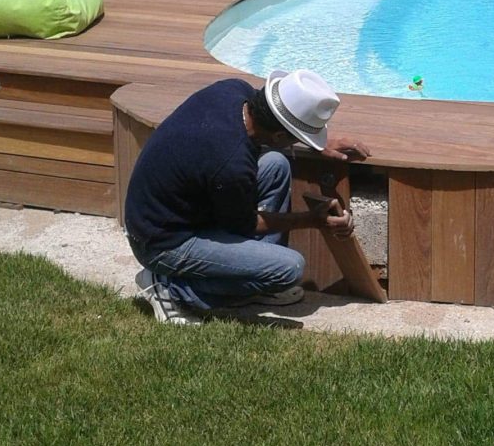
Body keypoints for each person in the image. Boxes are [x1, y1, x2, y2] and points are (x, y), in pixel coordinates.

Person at [125, 69, 370, 324]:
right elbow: (245, 223)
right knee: (288, 269)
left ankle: (257, 283)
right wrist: (312, 219)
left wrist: (320, 143)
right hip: (162, 243)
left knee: (276, 164)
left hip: (169, 211)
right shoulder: (230, 162)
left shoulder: (233, 91)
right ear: (278, 135)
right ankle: (171, 289)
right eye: (296, 138)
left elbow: (272, 129)